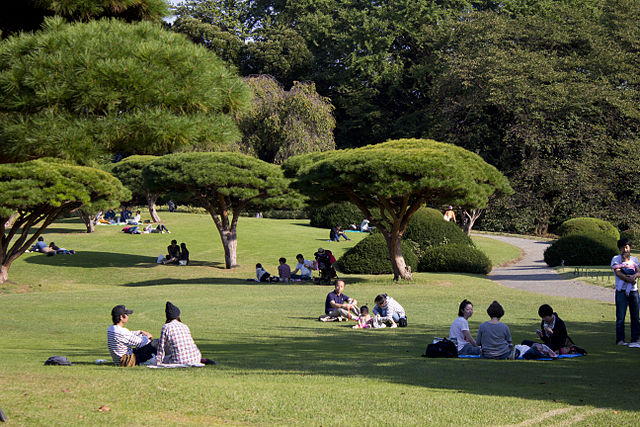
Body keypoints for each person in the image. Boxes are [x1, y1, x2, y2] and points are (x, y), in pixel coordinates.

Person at [611, 238, 640, 345]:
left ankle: (635, 338)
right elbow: (618, 272)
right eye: (622, 247)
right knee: (620, 316)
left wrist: (634, 276)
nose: (625, 249)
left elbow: (638, 271)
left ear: (630, 248)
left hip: (634, 291)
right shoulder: (616, 259)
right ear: (619, 249)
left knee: (635, 316)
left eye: (627, 247)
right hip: (621, 291)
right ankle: (620, 339)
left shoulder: (635, 260)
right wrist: (629, 279)